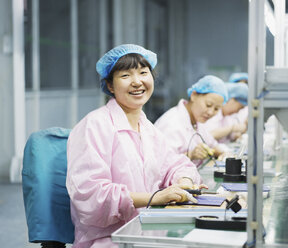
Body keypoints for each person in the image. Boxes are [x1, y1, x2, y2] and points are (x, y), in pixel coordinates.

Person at [66, 44, 205, 248]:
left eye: (143, 72)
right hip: (108, 239)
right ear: (110, 86)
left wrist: (183, 182)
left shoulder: (147, 128)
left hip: (148, 230)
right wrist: (155, 198)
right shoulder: (94, 126)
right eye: (125, 75)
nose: (137, 81)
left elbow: (175, 164)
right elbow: (91, 195)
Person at [154, 75, 228, 167]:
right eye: (208, 105)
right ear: (193, 95)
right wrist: (190, 155)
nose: (210, 112)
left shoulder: (197, 121)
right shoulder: (171, 123)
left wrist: (224, 153)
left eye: (216, 109)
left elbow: (212, 144)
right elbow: (161, 164)